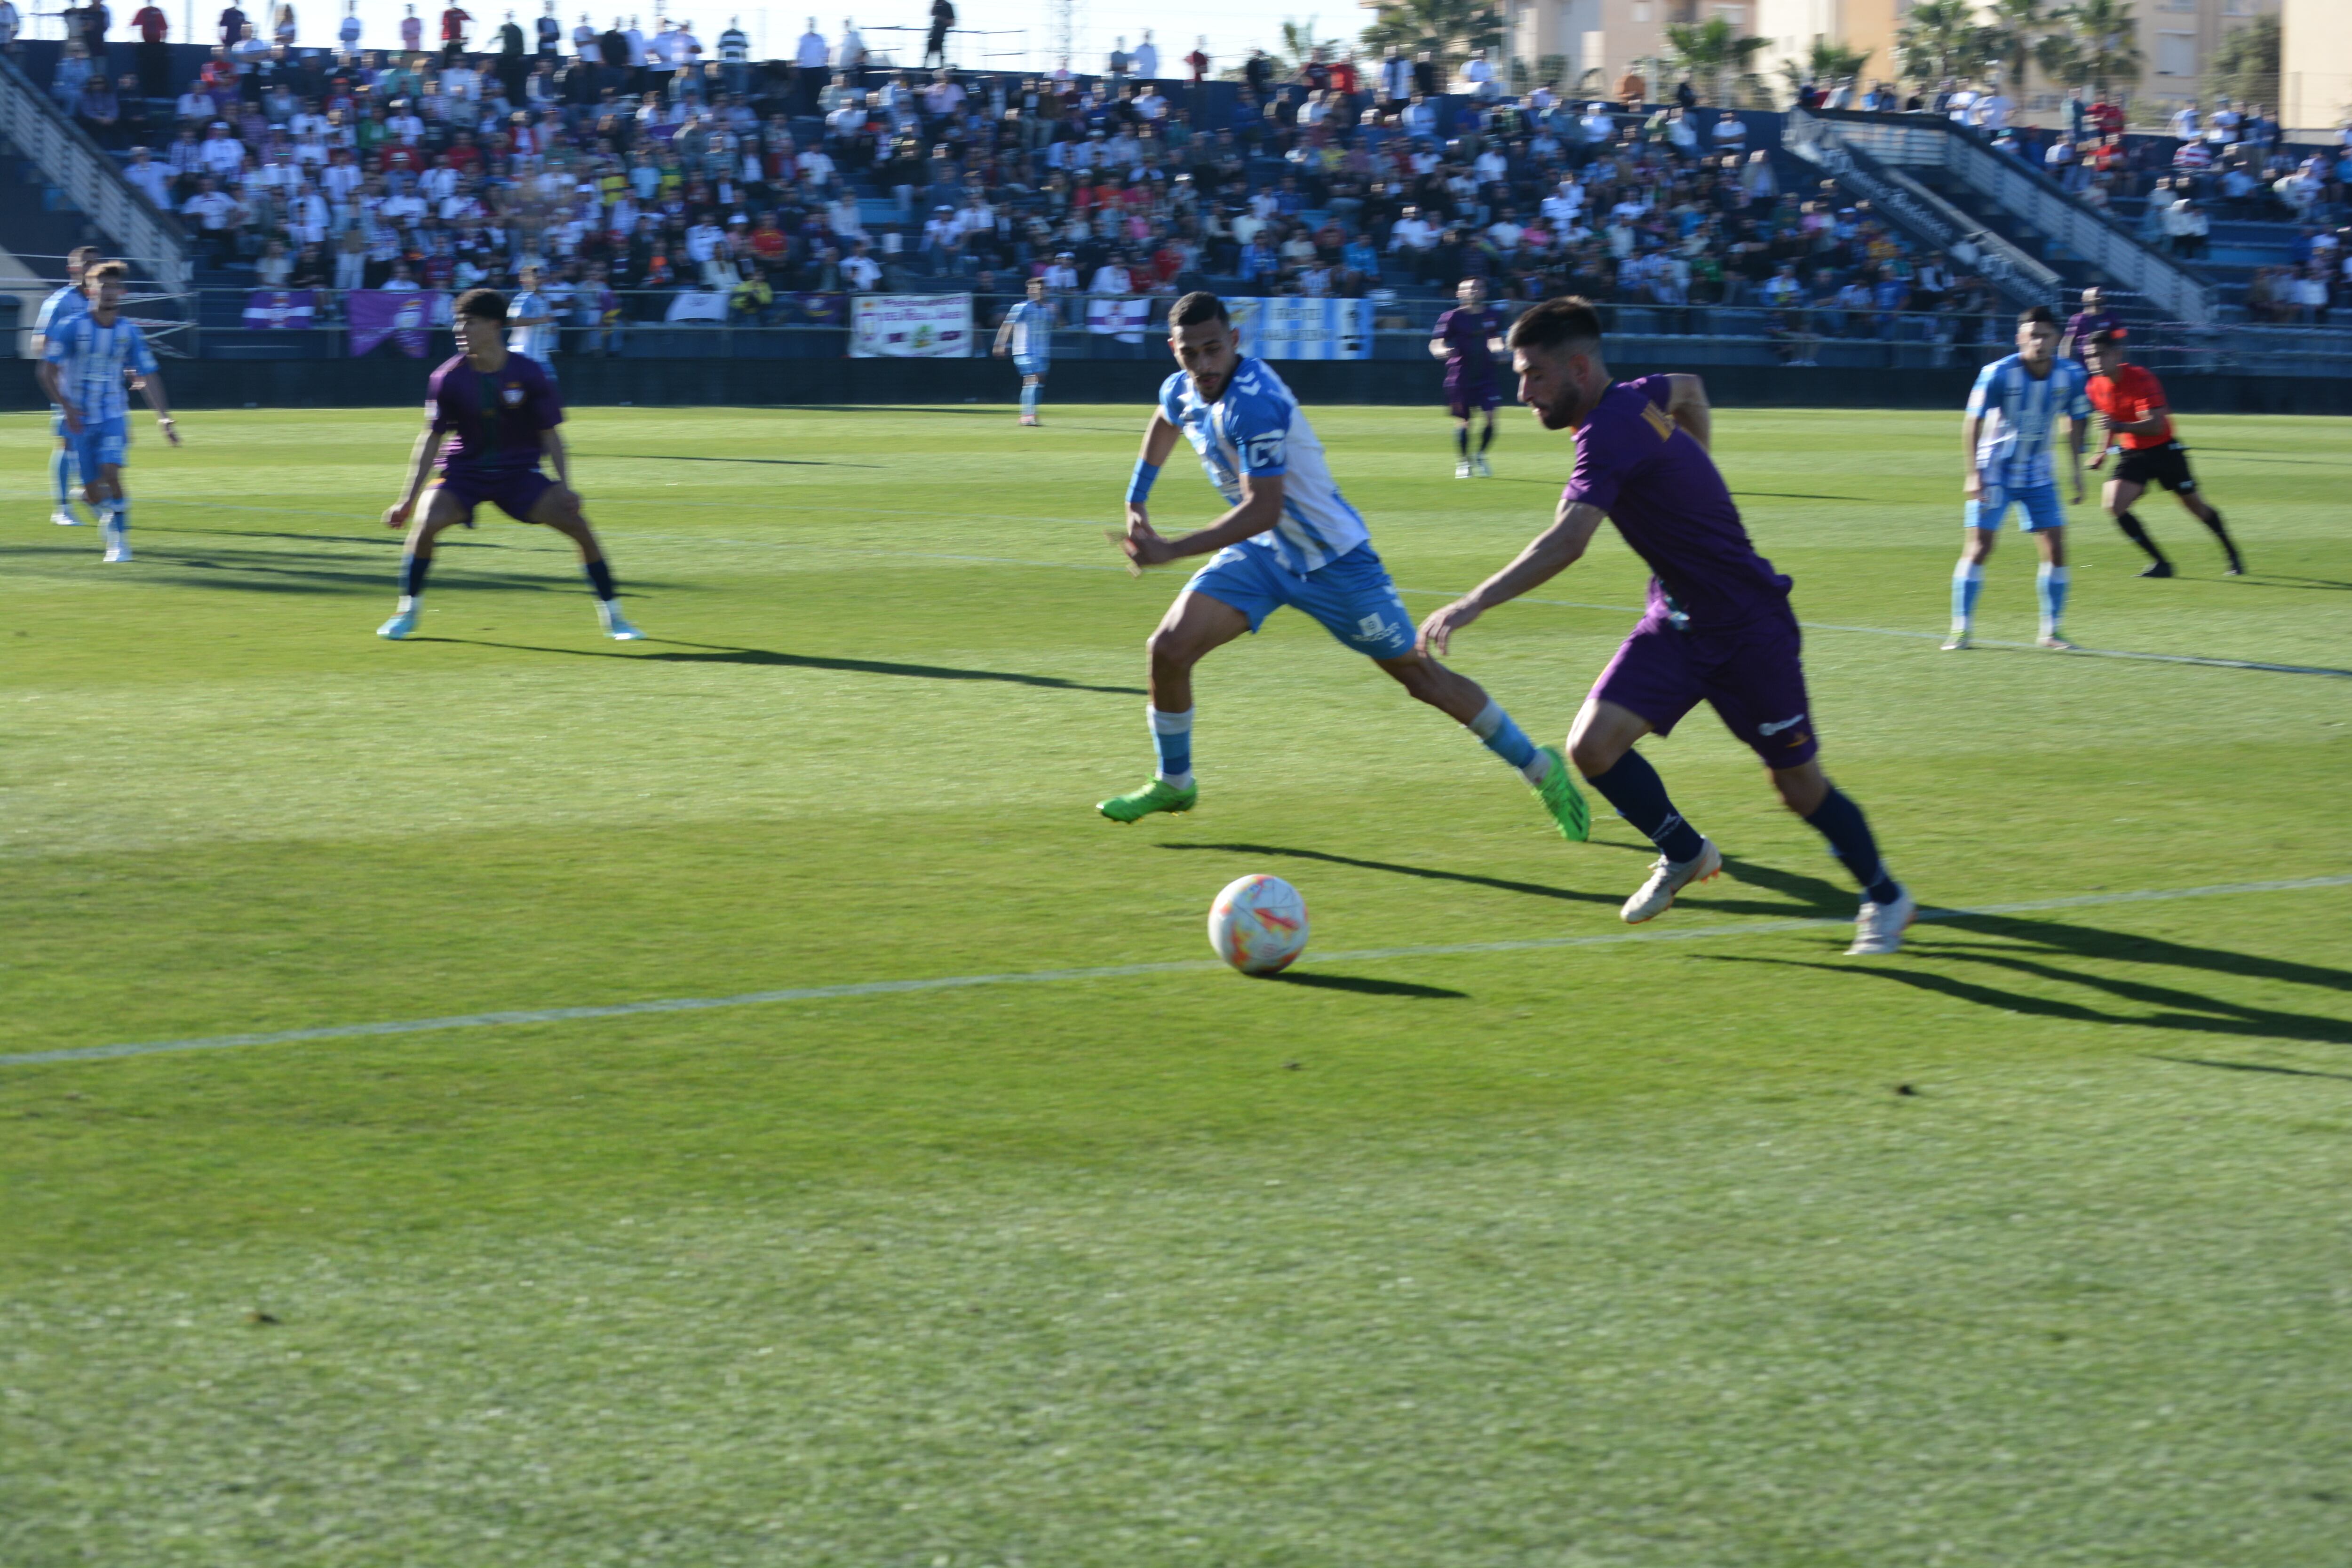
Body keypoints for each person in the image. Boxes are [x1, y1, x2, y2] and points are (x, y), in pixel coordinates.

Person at [1414, 295, 1916, 955]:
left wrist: (1472, 602)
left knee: (1798, 786)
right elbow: (1691, 390)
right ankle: (1684, 851)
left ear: (1580, 367)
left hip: (1747, 628)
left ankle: (1884, 895)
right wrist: (1700, 468)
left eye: (1534, 373)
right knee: (1592, 748)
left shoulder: (1608, 431)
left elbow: (1567, 542)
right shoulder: (1634, 397)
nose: (1522, 390)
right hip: (1677, 618)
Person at [1097, 291, 1589, 843]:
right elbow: (1168, 416)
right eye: (1190, 353)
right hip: (1263, 554)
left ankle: (1538, 767)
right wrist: (1136, 500)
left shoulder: (1252, 402)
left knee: (1419, 677)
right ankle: (1175, 781)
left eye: (1214, 349)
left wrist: (1170, 549)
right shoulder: (1182, 384)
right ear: (1174, 350)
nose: (1204, 365)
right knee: (1167, 649)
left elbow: (1265, 507)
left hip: (1334, 562)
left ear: (1235, 341)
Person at [376, 288, 642, 643]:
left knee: (581, 528)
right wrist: (406, 499)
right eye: (458, 322)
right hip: (463, 474)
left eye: (469, 322)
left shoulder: (529, 373)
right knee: (425, 523)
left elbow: (551, 435)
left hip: (519, 475)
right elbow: (430, 439)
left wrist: (565, 485)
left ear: (494, 325)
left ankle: (615, 618)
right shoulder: (447, 377)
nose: (459, 329)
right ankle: (406, 612)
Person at [1948, 306, 2091, 653]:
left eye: (2045, 335)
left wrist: (2076, 469)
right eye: (2032, 335)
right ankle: (1960, 629)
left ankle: (2051, 631)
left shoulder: (2071, 375)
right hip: (1994, 471)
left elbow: (2076, 420)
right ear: (2019, 338)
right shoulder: (1997, 372)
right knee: (1980, 547)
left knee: (2056, 549)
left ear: (2058, 339)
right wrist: (1973, 473)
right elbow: (1972, 422)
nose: (2038, 342)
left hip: (2039, 474)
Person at [39, 262, 182, 565]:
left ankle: (119, 543)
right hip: (78, 420)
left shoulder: (128, 332)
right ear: (91, 291)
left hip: (113, 416)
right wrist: (66, 408)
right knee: (93, 488)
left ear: (122, 292)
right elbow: (46, 371)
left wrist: (163, 417)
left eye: (114, 288)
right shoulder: (72, 328)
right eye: (103, 288)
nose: (109, 294)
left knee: (111, 473)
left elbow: (149, 374)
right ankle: (96, 503)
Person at [2083, 329, 2242, 578]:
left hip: (2165, 450)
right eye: (2089, 356)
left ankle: (2232, 553)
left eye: (2100, 355)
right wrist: (2102, 452)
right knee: (2113, 505)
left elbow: (2156, 425)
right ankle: (2161, 564)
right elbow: (2110, 420)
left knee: (2196, 507)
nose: (2094, 361)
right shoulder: (2094, 386)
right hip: (2133, 453)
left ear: (2117, 354)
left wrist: (2119, 427)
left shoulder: (2141, 378)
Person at [32, 246, 101, 529]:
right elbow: (39, 343)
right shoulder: (59, 301)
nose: (91, 270)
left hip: (97, 385)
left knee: (98, 440)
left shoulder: (98, 301)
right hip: (68, 384)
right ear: (73, 269)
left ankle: (87, 493)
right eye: (86, 265)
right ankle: (61, 509)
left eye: (95, 265)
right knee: (67, 442)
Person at [1429, 276, 1506, 478]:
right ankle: (1464, 462)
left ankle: (1480, 455)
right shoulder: (1452, 317)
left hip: (1486, 375)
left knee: (1491, 419)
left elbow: (1495, 338)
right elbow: (1437, 342)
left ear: (1484, 292)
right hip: (1460, 376)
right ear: (1459, 294)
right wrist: (1441, 351)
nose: (1474, 291)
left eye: (1478, 288)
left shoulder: (1492, 315)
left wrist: (1500, 349)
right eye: (1469, 289)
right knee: (1465, 422)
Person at [991, 273, 1053, 427]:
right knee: (1032, 378)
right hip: (1024, 350)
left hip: (1043, 352)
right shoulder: (1022, 308)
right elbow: (1008, 325)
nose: (1038, 292)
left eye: (1042, 289)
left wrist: (1057, 314)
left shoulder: (1047, 310)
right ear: (1029, 291)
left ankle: (1028, 414)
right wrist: (1000, 344)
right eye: (1035, 289)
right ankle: (1028, 416)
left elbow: (1060, 325)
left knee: (1038, 382)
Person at [507, 263, 559, 376]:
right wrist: (541, 320)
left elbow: (551, 323)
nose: (540, 280)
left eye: (541, 277)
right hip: (524, 356)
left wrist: (552, 327)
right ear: (525, 280)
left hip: (542, 358)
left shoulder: (544, 300)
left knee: (551, 386)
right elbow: (514, 321)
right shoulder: (523, 299)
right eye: (536, 278)